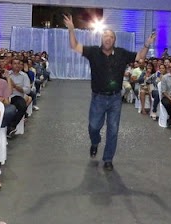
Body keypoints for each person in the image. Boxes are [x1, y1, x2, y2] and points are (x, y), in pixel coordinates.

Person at [64, 14, 156, 172]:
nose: (108, 39)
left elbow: (140, 56)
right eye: (105, 36)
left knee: (113, 130)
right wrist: (71, 30)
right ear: (102, 39)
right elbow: (74, 46)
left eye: (111, 37)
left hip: (115, 99)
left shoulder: (121, 53)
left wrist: (146, 45)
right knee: (94, 127)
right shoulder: (93, 52)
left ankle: (108, 159)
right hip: (98, 97)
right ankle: (95, 142)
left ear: (114, 40)